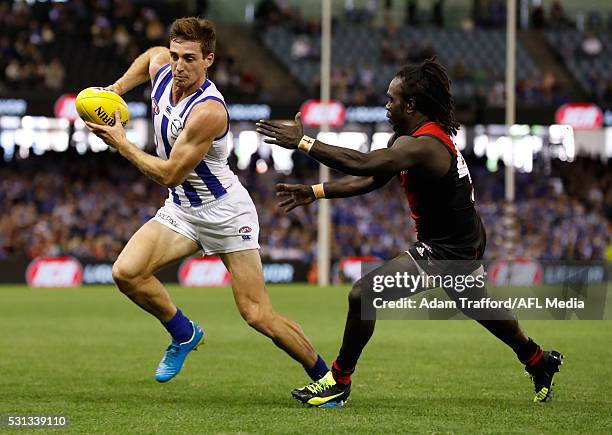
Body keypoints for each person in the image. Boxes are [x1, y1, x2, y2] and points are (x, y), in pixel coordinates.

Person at [256, 58, 563, 407]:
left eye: (392, 100)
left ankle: (338, 381)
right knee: (477, 305)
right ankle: (539, 361)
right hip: (463, 240)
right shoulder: (407, 139)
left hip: (447, 250)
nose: (387, 106)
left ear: (411, 105)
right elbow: (371, 178)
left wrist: (305, 143)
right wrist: (315, 191)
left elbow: (366, 163)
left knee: (363, 295)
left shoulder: (425, 146)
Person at [85, 17, 330, 387]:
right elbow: (150, 56)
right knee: (126, 273)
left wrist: (121, 143)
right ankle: (184, 334)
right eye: (176, 56)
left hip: (225, 214)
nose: (179, 66)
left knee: (257, 314)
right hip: (182, 209)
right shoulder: (164, 70)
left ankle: (325, 378)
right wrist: (116, 90)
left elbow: (169, 173)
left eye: (189, 59)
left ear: (209, 60)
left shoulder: (209, 111)